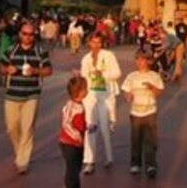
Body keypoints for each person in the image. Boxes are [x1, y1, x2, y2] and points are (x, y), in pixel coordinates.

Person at [0, 21, 52, 175]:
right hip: (12, 95)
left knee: (27, 128)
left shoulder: (40, 51)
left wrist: (35, 70)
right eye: (25, 33)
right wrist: (7, 69)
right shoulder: (11, 50)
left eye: (31, 34)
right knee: (11, 128)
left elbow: (48, 70)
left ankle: (23, 161)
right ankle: (19, 152)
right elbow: (1, 68)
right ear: (20, 34)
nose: (28, 37)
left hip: (32, 94)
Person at [79, 34, 121, 174]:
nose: (96, 45)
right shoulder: (86, 59)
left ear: (102, 43)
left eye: (98, 42)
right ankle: (89, 161)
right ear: (89, 43)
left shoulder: (108, 55)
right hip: (91, 95)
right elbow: (84, 77)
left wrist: (102, 73)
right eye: (93, 42)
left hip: (106, 95)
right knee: (90, 127)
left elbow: (117, 73)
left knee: (104, 127)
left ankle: (108, 157)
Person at [120, 50, 165, 179]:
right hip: (135, 112)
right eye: (137, 59)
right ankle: (135, 163)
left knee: (150, 140)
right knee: (136, 139)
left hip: (150, 111)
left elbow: (160, 92)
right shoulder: (131, 76)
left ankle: (151, 165)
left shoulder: (154, 76)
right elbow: (125, 90)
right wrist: (128, 96)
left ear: (148, 61)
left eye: (142, 59)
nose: (139, 62)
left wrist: (152, 88)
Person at [59, 76, 88, 188]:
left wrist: (87, 127)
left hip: (77, 143)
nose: (87, 91)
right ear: (79, 91)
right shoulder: (70, 106)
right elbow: (66, 124)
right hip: (69, 143)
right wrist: (77, 136)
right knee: (72, 169)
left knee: (77, 167)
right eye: (85, 88)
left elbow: (80, 122)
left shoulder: (80, 105)